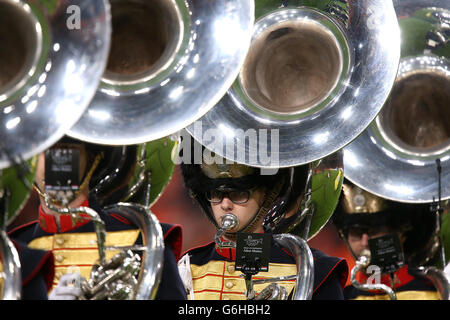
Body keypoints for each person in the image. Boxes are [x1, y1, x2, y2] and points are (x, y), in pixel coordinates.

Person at [8, 136, 186, 300]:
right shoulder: (13, 253)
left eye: (67, 149)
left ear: (93, 158)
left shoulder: (143, 239)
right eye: (45, 149)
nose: (57, 161)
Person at [177, 139, 348, 300]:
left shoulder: (316, 272)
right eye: (215, 194)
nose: (225, 205)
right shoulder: (186, 268)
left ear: (267, 193)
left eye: (238, 194)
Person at [332, 180, 442, 300]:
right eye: (356, 233)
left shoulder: (437, 294)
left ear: (402, 232)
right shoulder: (339, 296)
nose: (365, 242)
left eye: (374, 231)